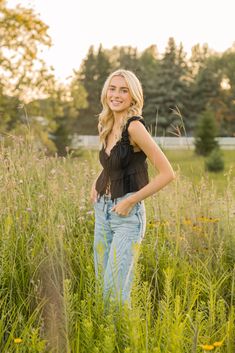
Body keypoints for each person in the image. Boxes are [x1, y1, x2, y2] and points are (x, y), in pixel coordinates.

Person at [90, 69, 175, 305]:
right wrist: (97, 182)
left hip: (127, 216)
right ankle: (106, 340)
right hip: (102, 212)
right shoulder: (106, 123)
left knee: (114, 293)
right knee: (102, 290)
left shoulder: (134, 127)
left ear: (133, 96)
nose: (116, 95)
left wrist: (130, 200)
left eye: (124, 90)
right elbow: (114, 162)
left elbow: (167, 173)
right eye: (113, 88)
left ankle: (124, 341)